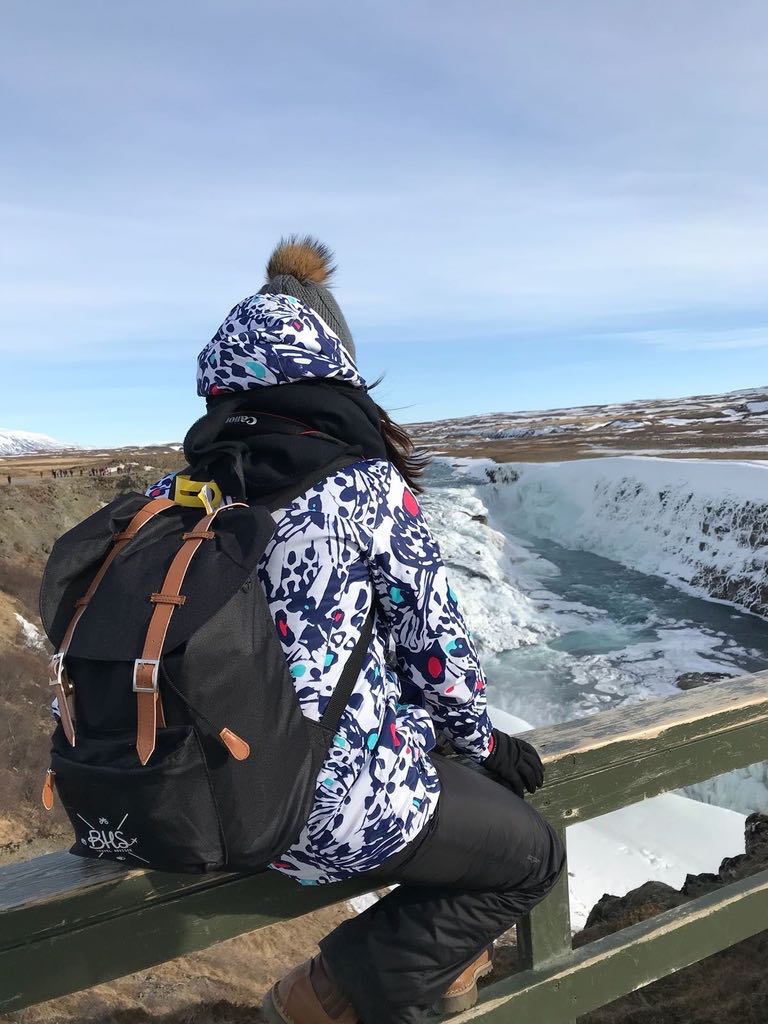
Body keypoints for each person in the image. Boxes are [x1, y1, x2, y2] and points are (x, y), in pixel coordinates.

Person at [146, 237, 564, 1024]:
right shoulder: (359, 487)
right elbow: (436, 654)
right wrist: (484, 747)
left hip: (201, 802)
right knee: (532, 857)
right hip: (321, 805)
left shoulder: (173, 491)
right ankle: (326, 991)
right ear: (331, 365)